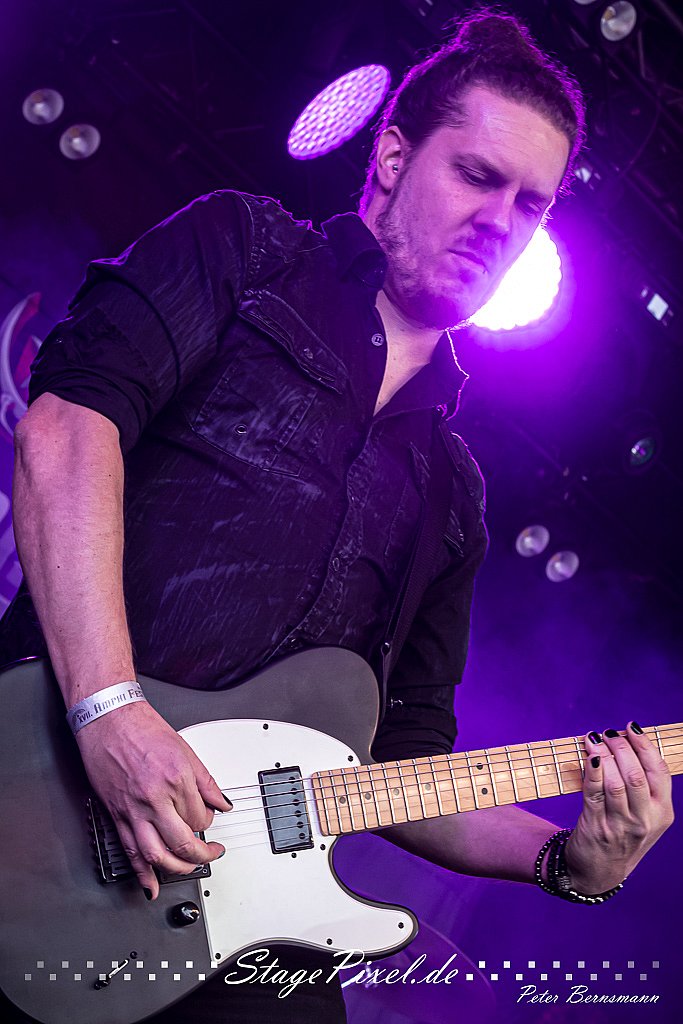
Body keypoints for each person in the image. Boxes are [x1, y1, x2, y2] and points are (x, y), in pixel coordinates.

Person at [0, 9, 673, 1024]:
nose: (501, 221)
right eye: (477, 176)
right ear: (392, 158)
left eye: (531, 204)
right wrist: (110, 712)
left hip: (238, 924)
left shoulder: (452, 492)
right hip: (43, 796)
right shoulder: (244, 250)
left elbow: (401, 764)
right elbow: (64, 429)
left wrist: (566, 860)